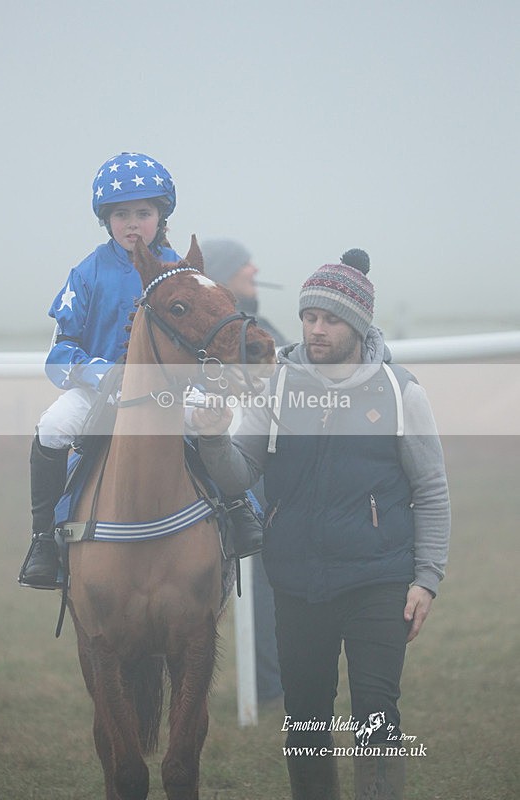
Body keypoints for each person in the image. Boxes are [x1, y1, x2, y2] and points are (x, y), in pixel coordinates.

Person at [191, 250, 451, 800]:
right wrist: (213, 438)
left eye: (330, 319)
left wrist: (426, 579)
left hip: (380, 580)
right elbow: (238, 475)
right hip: (296, 582)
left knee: (376, 712)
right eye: (309, 317)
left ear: (357, 324)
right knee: (305, 715)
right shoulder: (277, 386)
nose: (315, 329)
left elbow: (431, 489)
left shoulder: (402, 393)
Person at [19, 152, 181, 589]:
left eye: (143, 213)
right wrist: (100, 374)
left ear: (161, 215)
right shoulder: (87, 272)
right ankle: (43, 542)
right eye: (121, 214)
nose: (133, 223)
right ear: (106, 220)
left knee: (212, 421)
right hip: (97, 392)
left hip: (166, 392)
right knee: (52, 426)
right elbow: (59, 354)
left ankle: (239, 512)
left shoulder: (179, 270)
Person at [201, 238, 285, 706]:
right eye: (241, 264)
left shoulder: (260, 325)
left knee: (268, 579)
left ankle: (271, 685)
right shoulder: (213, 330)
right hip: (224, 464)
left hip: (259, 467)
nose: (254, 268)